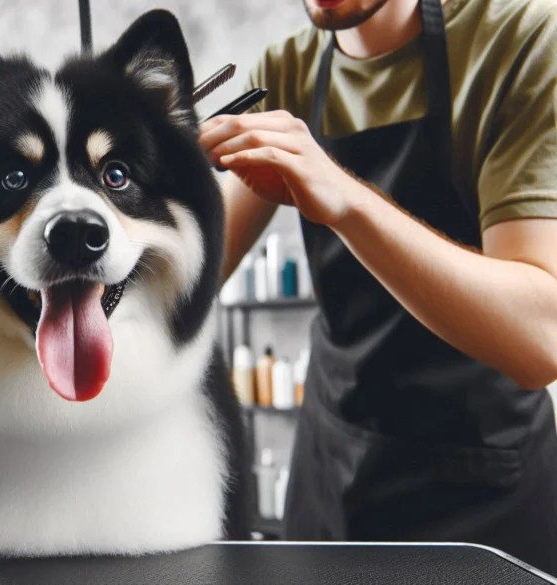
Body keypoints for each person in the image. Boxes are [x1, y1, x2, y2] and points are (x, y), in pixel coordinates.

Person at [200, 0, 557, 573]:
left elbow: (542, 339)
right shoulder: (283, 73)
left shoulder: (516, 40)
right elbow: (186, 282)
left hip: (484, 493)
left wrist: (348, 201)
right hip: (330, 477)